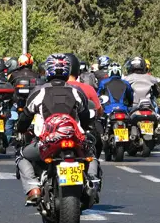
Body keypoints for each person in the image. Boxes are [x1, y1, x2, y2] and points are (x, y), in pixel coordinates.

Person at [16, 54, 99, 204]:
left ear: (48, 71)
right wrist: (86, 128)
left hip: (46, 142)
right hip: (74, 140)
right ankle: (92, 183)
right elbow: (85, 116)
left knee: (21, 156)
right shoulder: (76, 92)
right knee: (91, 156)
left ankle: (33, 188)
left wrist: (20, 129)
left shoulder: (39, 92)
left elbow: (26, 117)